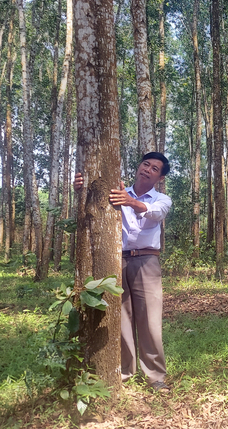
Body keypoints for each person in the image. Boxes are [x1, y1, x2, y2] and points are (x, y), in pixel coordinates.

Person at [74, 152, 172, 392]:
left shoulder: (162, 199)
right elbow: (93, 206)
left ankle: (155, 376)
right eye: (145, 164)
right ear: (139, 167)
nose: (148, 169)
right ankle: (126, 372)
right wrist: (81, 189)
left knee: (150, 319)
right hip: (117, 260)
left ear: (160, 177)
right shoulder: (117, 192)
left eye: (155, 168)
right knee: (122, 318)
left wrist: (131, 203)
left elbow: (156, 214)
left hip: (147, 261)